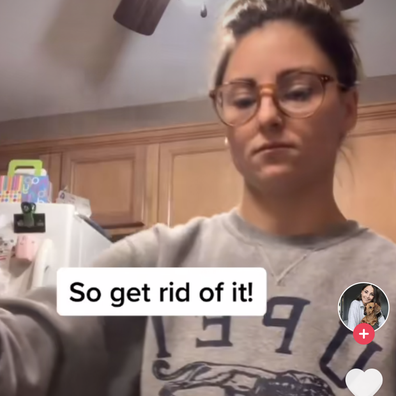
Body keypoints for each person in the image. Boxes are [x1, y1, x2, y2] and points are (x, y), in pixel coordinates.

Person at [0, 0, 396, 395]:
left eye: (298, 91)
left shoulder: (387, 279)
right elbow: (19, 350)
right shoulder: (161, 271)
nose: (268, 115)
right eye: (242, 98)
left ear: (347, 108)